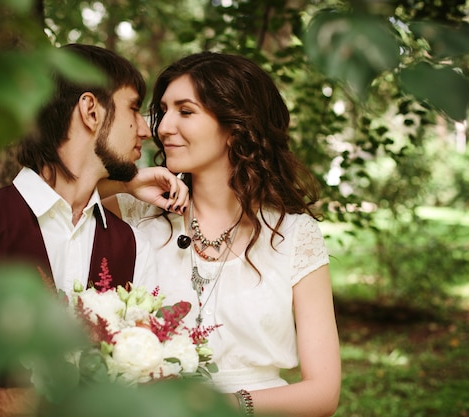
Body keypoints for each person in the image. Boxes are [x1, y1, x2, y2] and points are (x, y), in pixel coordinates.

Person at [0, 43, 187, 417]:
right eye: (133, 108)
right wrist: (5, 404)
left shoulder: (133, 246)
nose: (145, 129)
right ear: (91, 111)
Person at [102, 51, 341, 417]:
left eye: (185, 111)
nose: (162, 127)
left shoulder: (294, 234)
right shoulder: (136, 213)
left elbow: (322, 393)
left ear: (236, 127)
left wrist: (219, 406)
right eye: (163, 110)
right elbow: (55, 200)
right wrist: (128, 182)